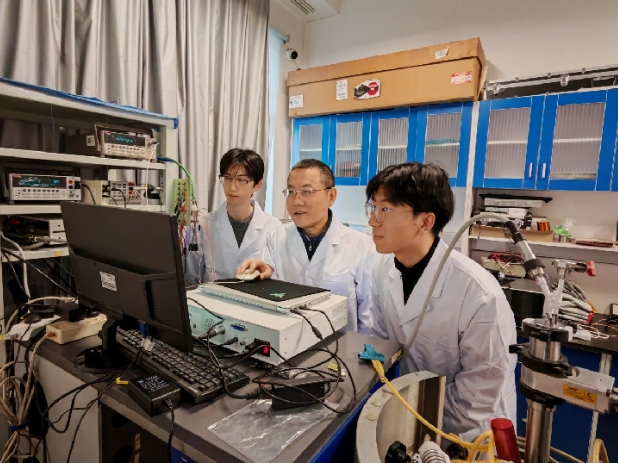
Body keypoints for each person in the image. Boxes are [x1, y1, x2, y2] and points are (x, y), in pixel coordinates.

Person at [362, 162, 517, 441]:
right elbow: (381, 343)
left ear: (425, 222)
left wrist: (420, 424)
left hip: (468, 434)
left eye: (385, 210)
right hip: (408, 415)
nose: (373, 221)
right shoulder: (382, 268)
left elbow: (479, 395)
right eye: (373, 208)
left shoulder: (479, 294)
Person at [238, 159, 377, 332]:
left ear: (331, 196)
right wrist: (259, 278)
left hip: (341, 344)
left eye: (307, 191)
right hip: (288, 340)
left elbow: (369, 317)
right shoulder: (276, 238)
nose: (296, 201)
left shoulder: (361, 246)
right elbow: (269, 298)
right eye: (291, 191)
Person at [190, 148, 281, 282]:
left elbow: (280, 277)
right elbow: (192, 277)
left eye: (241, 180)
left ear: (257, 185)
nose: (232, 187)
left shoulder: (273, 228)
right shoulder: (205, 225)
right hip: (213, 295)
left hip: (256, 295)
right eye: (227, 178)